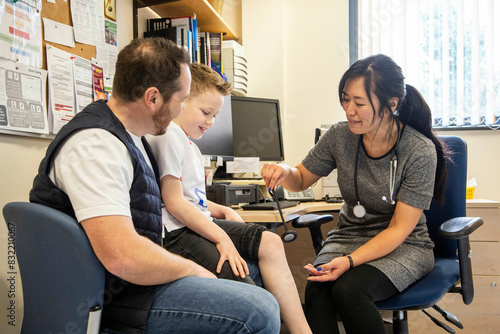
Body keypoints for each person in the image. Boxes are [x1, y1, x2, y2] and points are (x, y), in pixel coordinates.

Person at [29, 38, 280, 334]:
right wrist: (191, 270)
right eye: (182, 100)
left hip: (133, 285)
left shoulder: (131, 137)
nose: (181, 110)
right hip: (122, 299)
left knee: (252, 270)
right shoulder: (95, 147)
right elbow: (123, 256)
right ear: (153, 98)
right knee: (258, 311)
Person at [261, 54, 450, 334]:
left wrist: (349, 262)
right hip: (349, 237)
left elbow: (399, 229)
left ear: (391, 104)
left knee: (350, 291)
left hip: (404, 246)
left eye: (359, 103)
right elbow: (300, 179)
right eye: (345, 99)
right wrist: (284, 172)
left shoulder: (419, 150)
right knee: (317, 292)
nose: (349, 110)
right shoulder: (339, 136)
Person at [147, 63, 312, 334]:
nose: (211, 122)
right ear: (181, 100)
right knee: (251, 296)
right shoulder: (169, 137)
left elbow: (192, 198)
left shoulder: (187, 143)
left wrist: (221, 209)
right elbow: (174, 203)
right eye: (206, 112)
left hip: (194, 222)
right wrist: (222, 238)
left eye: (216, 115)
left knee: (270, 241)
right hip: (178, 233)